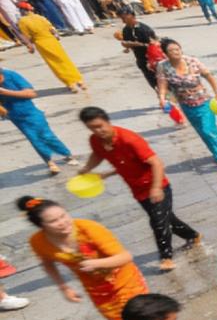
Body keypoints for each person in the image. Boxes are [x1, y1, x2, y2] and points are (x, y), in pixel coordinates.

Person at [79, 107, 200, 272]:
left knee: (158, 222)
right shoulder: (95, 141)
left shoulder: (129, 139)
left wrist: (156, 188)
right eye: (92, 128)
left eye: (100, 126)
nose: (97, 131)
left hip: (156, 185)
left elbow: (156, 162)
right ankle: (192, 235)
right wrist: (88, 168)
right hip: (137, 188)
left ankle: (166, 257)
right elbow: (98, 155)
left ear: (108, 121)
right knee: (166, 218)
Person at [20, 196, 147, 320]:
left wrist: (95, 263)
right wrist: (64, 287)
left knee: (142, 319)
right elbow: (47, 263)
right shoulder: (38, 241)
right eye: (53, 221)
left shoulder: (88, 228)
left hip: (126, 281)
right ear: (41, 225)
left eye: (63, 215)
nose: (63, 222)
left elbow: (125, 257)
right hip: (98, 291)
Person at [156, 38, 217, 170]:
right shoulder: (163, 66)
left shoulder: (192, 61)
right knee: (202, 131)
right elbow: (162, 84)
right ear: (166, 54)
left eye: (177, 49)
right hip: (186, 104)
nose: (175, 52)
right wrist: (162, 98)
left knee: (209, 129)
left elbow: (209, 76)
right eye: (171, 50)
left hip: (204, 100)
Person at [0, 67, 77, 174]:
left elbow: (31, 93)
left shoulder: (11, 75)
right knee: (33, 138)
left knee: (47, 135)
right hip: (15, 117)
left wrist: (6, 92)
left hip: (31, 113)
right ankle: (50, 162)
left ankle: (66, 154)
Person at [16, 4, 86, 92]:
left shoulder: (22, 21)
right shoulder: (40, 17)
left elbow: (26, 36)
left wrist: (30, 46)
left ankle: (70, 83)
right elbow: (51, 29)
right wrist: (56, 35)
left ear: (22, 10)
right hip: (52, 41)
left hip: (41, 43)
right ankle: (79, 80)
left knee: (54, 63)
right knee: (64, 60)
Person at [118, 11, 160, 89]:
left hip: (153, 60)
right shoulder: (126, 29)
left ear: (132, 16)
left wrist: (136, 44)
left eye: (125, 17)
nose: (123, 20)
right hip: (141, 61)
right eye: (121, 18)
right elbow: (128, 42)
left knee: (161, 83)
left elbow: (155, 44)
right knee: (154, 85)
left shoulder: (143, 29)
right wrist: (127, 47)